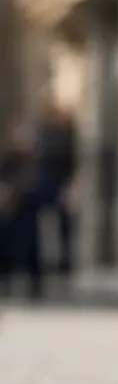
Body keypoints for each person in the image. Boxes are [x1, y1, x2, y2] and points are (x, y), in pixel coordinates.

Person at [34, 96, 79, 291]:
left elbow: (72, 163)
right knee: (40, 225)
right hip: (45, 183)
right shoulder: (44, 133)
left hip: (61, 184)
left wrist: (70, 186)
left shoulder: (68, 134)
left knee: (65, 227)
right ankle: (40, 267)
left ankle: (64, 268)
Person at [0, 123, 42, 299]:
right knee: (7, 247)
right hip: (10, 212)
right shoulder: (8, 160)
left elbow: (38, 184)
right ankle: (6, 280)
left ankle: (34, 285)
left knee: (30, 247)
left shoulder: (35, 161)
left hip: (27, 210)